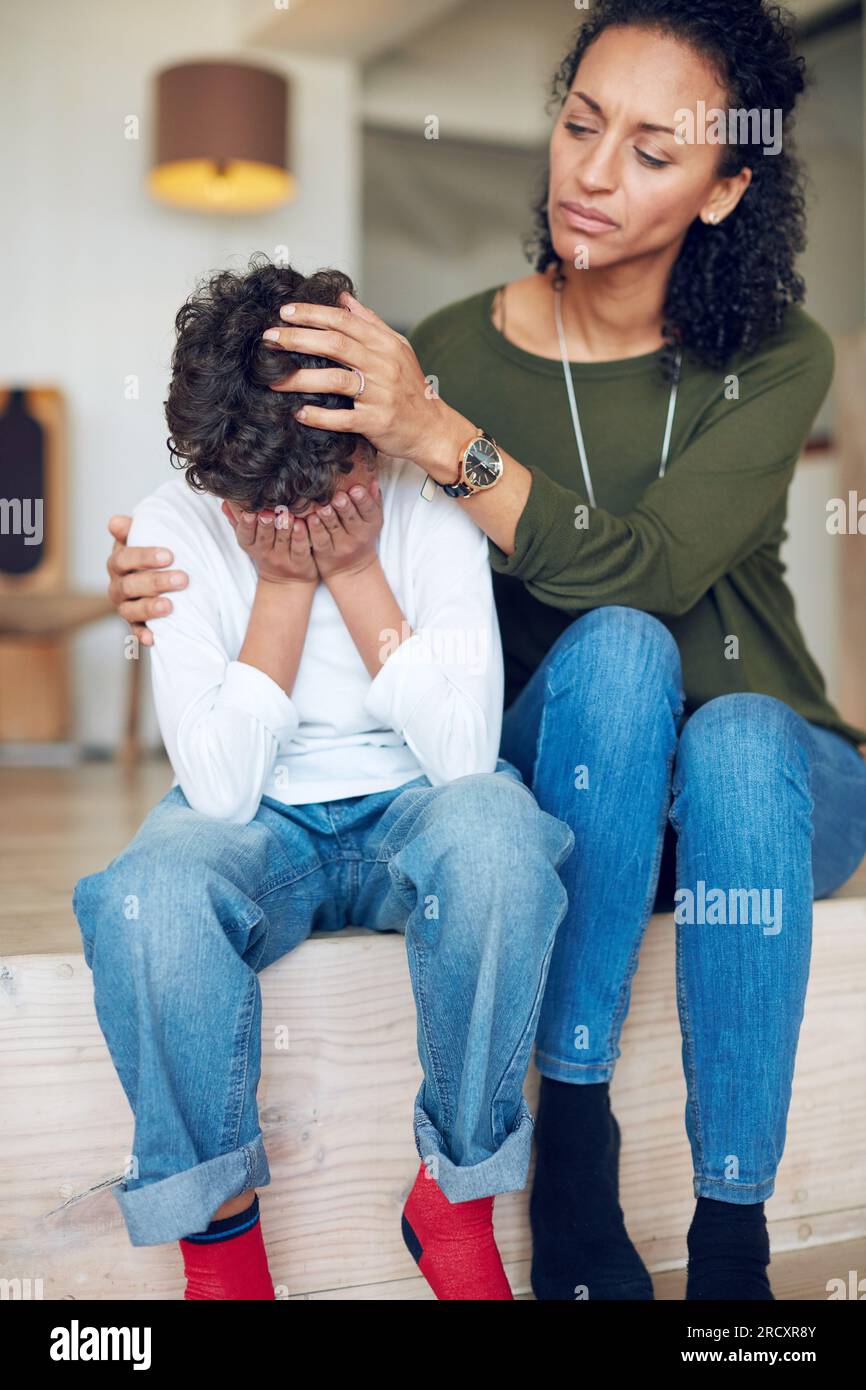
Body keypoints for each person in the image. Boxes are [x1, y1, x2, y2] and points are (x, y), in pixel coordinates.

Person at [105, 0, 866, 1302]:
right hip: (575, 771)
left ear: (726, 184)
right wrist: (183, 569)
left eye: (649, 149)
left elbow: (649, 565)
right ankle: (569, 1131)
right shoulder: (445, 347)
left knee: (726, 721)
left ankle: (727, 1251)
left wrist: (442, 437)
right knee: (614, 660)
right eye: (579, 124)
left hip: (759, 791)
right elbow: (296, 499)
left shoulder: (774, 358)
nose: (589, 172)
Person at [73, 258, 574, 1302]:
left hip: (412, 802)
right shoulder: (175, 525)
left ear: (363, 435)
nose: (297, 518)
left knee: (501, 838)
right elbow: (216, 787)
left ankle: (458, 1196)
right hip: (261, 823)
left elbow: (460, 756)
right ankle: (220, 1250)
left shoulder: (425, 497)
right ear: (213, 474)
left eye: (328, 489)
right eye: (263, 506)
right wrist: (281, 590)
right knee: (144, 895)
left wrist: (355, 576)